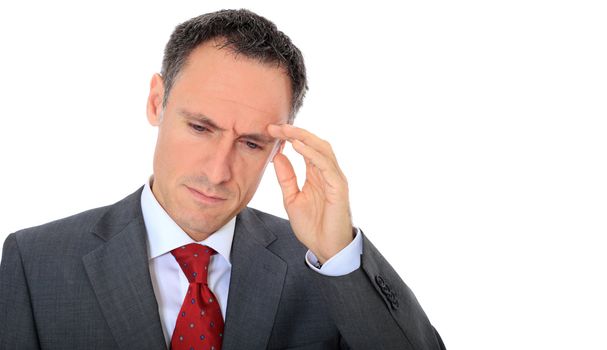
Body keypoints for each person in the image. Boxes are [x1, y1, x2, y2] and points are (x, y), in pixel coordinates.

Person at [0, 9, 445, 350]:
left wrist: (340, 253)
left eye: (251, 143)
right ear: (157, 102)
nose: (217, 172)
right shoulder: (34, 262)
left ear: (279, 147)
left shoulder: (323, 267)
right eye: (200, 127)